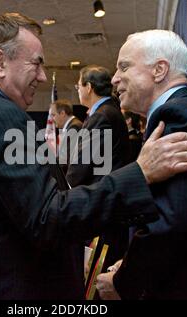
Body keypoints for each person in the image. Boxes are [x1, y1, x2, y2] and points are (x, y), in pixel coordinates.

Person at [0, 13, 187, 300]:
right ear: (0, 62)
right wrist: (140, 172)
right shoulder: (1, 119)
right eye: (37, 63)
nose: (43, 76)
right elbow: (47, 218)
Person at [96, 30, 187, 300]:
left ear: (159, 69)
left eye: (124, 66)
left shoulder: (177, 116)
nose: (115, 78)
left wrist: (123, 281)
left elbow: (169, 223)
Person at [66, 65, 132, 269]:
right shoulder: (108, 111)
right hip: (109, 206)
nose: (78, 90)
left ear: (89, 87)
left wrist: (66, 183)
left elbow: (80, 169)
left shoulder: (102, 116)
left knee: (97, 278)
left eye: (79, 85)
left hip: (102, 210)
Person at [51, 99, 82, 175]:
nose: (52, 119)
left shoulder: (74, 127)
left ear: (62, 113)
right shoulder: (72, 126)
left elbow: (67, 160)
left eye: (53, 115)